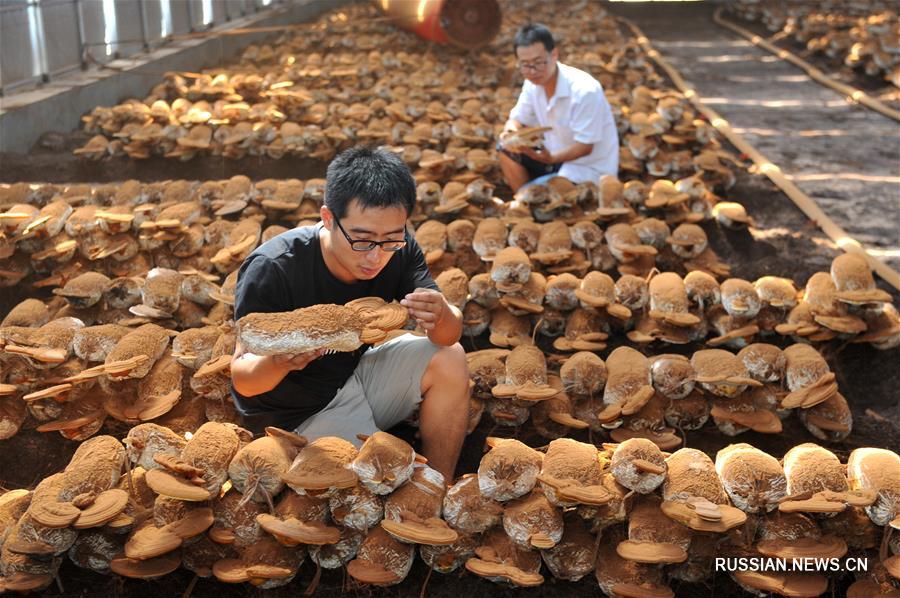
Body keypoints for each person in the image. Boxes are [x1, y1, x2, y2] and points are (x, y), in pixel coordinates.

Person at [230, 147, 469, 482]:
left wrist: (444, 313)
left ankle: (439, 487)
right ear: (328, 219)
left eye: (390, 239)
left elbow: (447, 336)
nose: (376, 257)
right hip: (294, 414)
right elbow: (243, 380)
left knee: (449, 357)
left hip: (352, 377)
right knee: (384, 481)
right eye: (362, 240)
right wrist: (278, 362)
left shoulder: (399, 249)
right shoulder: (274, 268)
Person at [499, 23, 619, 193]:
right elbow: (518, 118)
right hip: (552, 157)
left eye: (538, 63)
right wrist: (510, 133)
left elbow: (585, 146)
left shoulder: (584, 90)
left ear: (554, 54)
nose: (532, 71)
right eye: (525, 65)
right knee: (504, 149)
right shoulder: (533, 84)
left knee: (543, 203)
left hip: (585, 168)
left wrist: (551, 158)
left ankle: (531, 200)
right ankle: (525, 203)